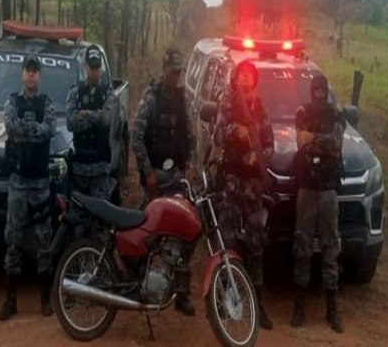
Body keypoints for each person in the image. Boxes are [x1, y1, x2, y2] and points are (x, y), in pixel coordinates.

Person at [131, 47, 197, 316]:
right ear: (164, 70)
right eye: (172, 72)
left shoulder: (183, 100)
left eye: (179, 73)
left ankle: (181, 292)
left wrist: (191, 165)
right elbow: (136, 137)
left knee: (187, 233)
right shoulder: (151, 98)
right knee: (144, 230)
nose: (176, 77)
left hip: (177, 178)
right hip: (156, 177)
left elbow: (192, 138)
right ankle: (139, 281)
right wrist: (147, 172)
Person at [212, 59, 275, 330]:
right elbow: (216, 136)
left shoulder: (260, 109)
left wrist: (257, 155)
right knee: (226, 242)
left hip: (253, 187)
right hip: (231, 183)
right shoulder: (226, 105)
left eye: (250, 75)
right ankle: (223, 300)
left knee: (255, 244)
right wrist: (233, 131)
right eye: (242, 75)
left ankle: (257, 304)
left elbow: (270, 145)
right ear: (235, 79)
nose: (246, 79)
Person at [0, 54, 57, 321]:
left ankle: (45, 299)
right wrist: (32, 129)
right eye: (28, 71)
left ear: (40, 77)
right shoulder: (12, 101)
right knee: (14, 241)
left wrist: (26, 130)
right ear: (22, 75)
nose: (31, 75)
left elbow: (50, 129)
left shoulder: (47, 103)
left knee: (44, 240)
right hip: (19, 182)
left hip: (40, 183)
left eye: (35, 71)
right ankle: (11, 301)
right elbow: (9, 125)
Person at [290, 71, 345, 333]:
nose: (319, 94)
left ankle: (332, 310)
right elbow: (301, 143)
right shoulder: (302, 112)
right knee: (302, 246)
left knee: (330, 247)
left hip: (328, 191)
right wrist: (316, 143)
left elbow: (336, 144)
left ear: (328, 90)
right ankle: (299, 307)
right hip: (307, 190)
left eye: (323, 89)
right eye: (315, 90)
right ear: (311, 91)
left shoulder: (337, 114)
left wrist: (314, 140)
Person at [65, 44, 118, 201]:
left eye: (97, 67)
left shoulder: (108, 93)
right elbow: (70, 122)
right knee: (77, 218)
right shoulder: (75, 92)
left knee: (99, 218)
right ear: (85, 66)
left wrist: (86, 114)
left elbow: (106, 119)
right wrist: (95, 117)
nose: (95, 72)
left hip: (100, 168)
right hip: (79, 167)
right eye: (92, 67)